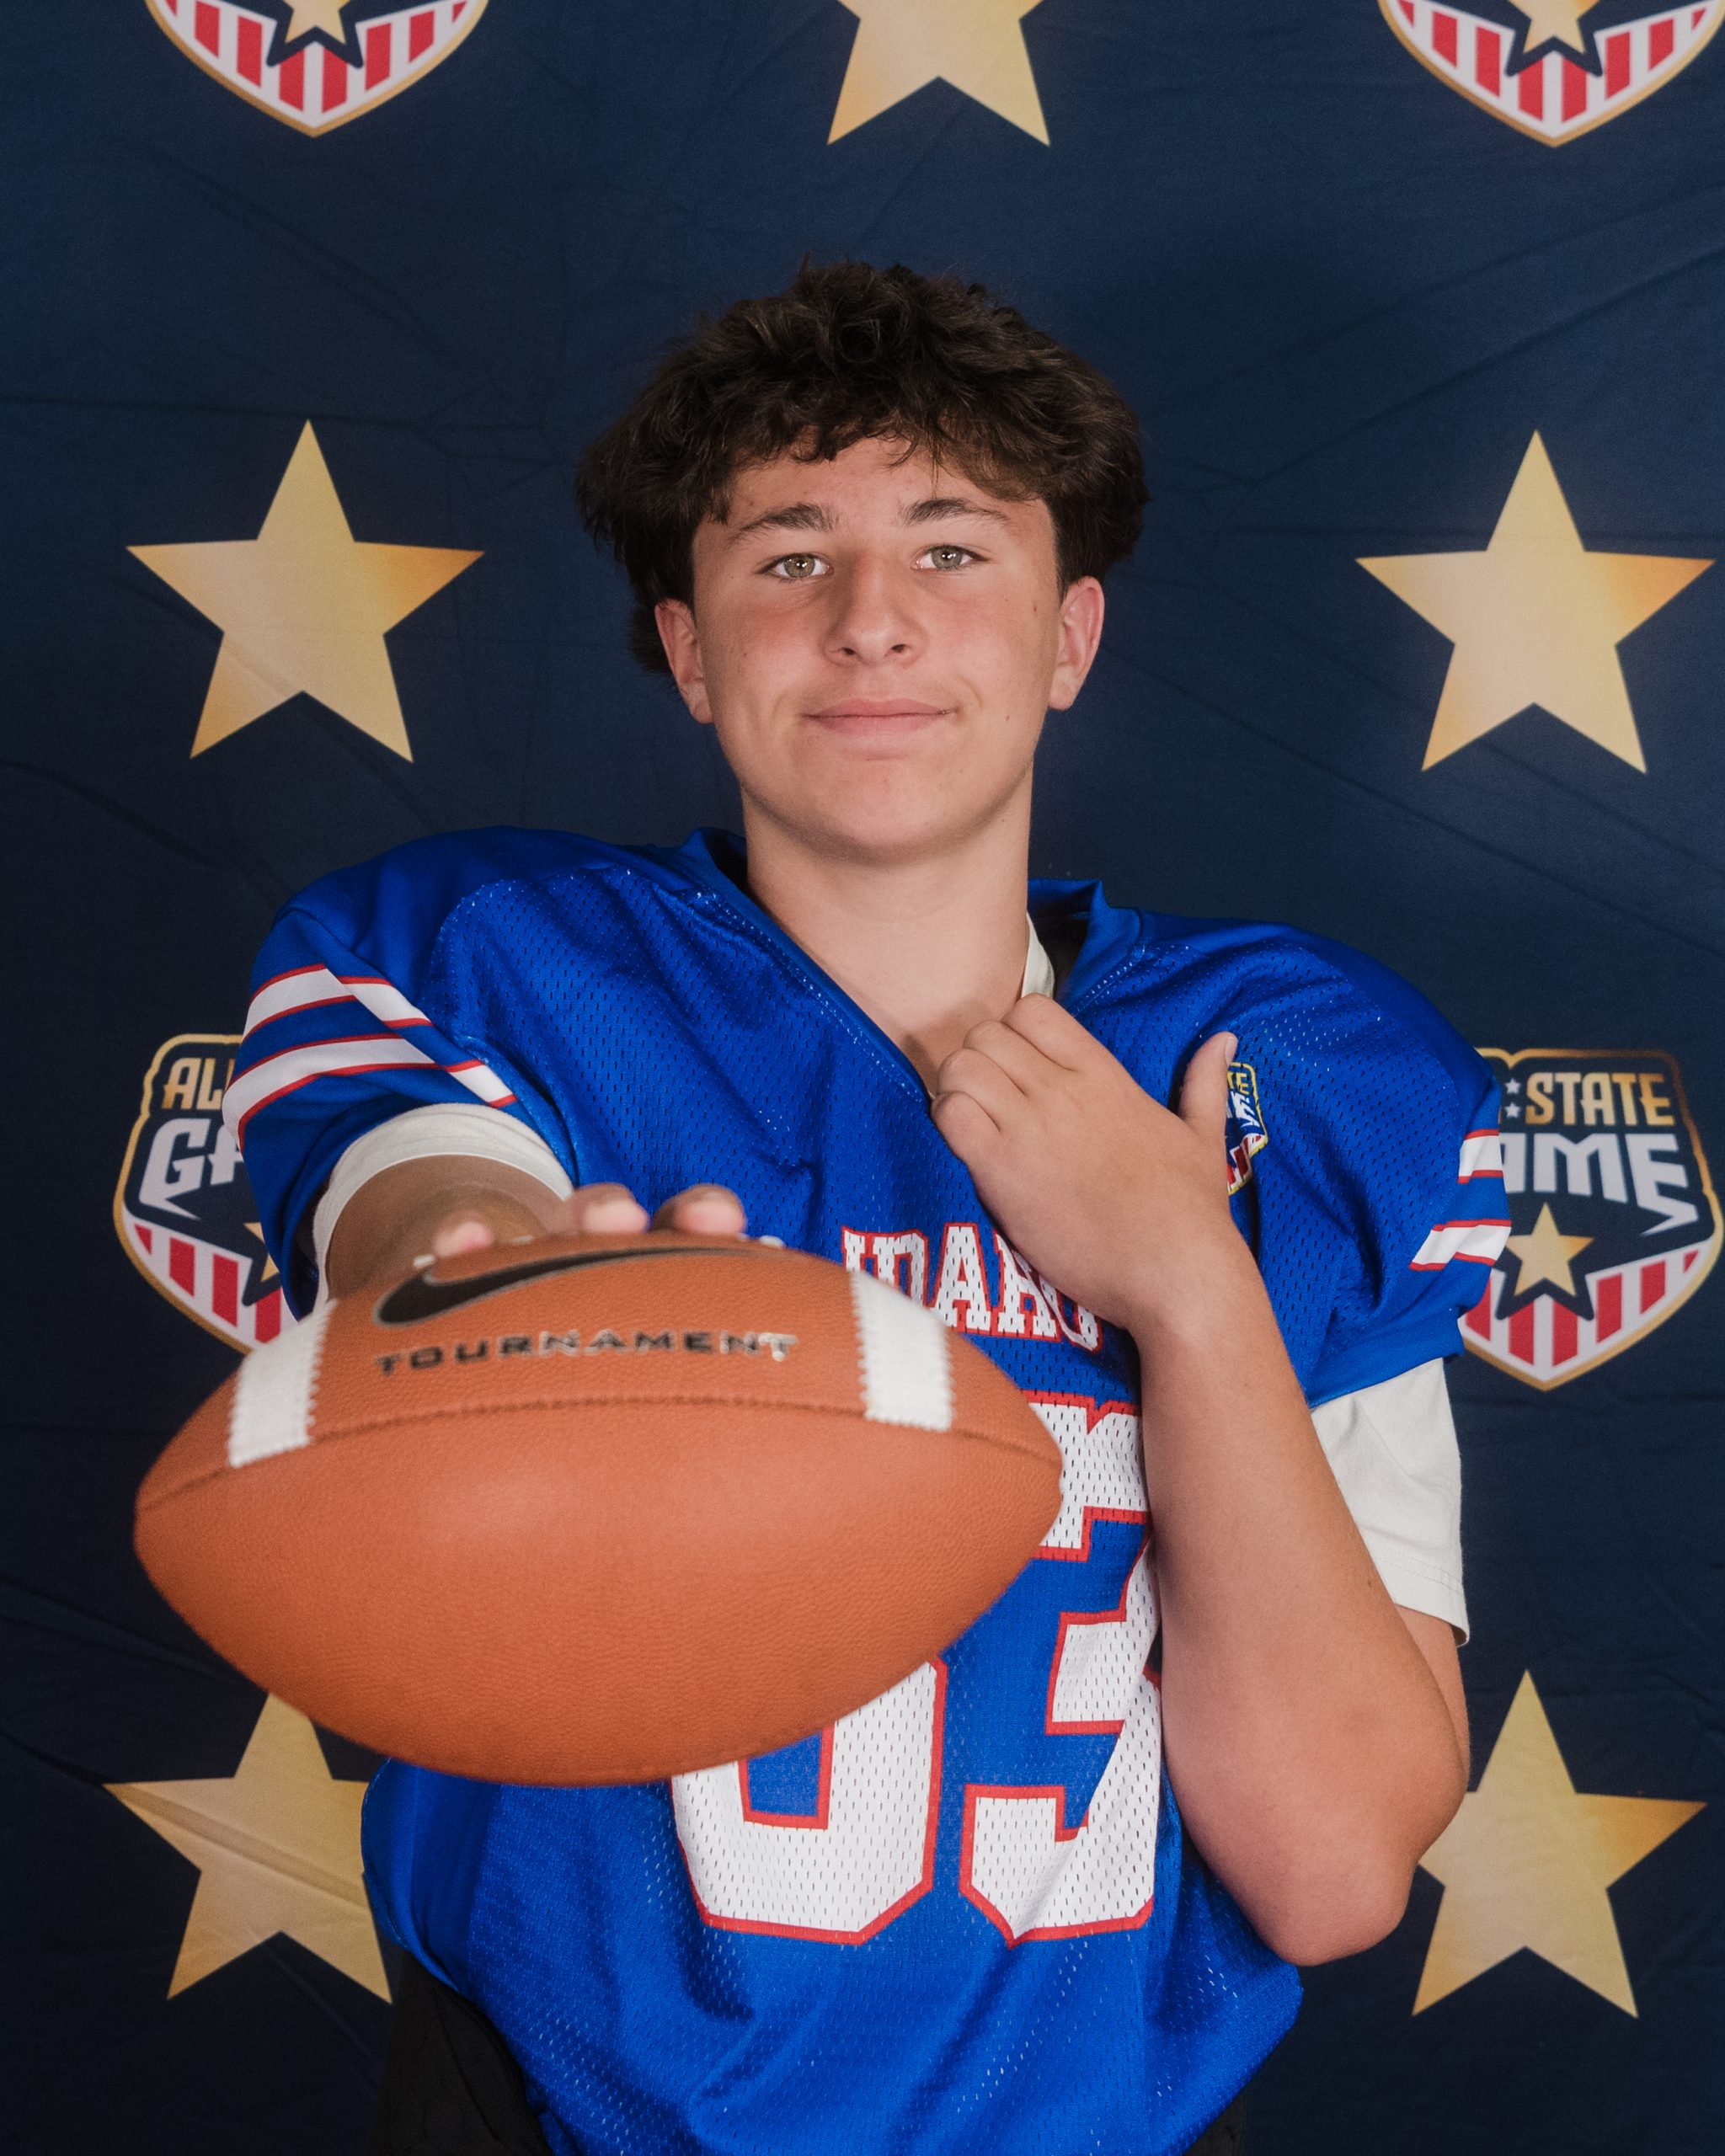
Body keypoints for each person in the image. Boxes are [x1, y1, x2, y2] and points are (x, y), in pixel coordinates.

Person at [228, 261, 1507, 2156]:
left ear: (1072, 634)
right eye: (790, 556)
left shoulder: (1289, 1075)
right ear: (687, 648)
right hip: (556, 2109)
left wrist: (1189, 1284)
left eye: (953, 549)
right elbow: (423, 1198)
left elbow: (1328, 1870)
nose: (874, 620)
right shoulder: (501, 965)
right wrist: (489, 1287)